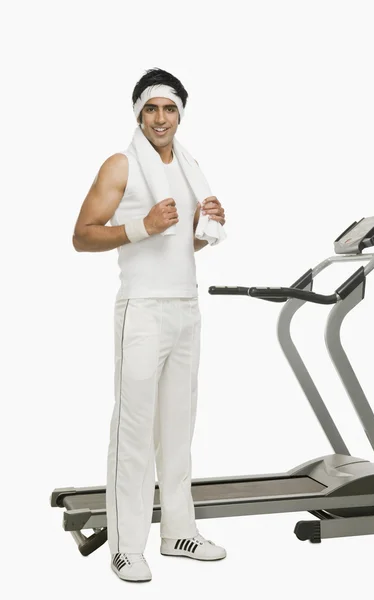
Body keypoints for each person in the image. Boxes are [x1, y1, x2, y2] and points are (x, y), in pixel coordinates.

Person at [72, 67, 227, 583]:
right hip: (140, 311)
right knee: (134, 431)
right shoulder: (121, 164)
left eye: (170, 110)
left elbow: (183, 243)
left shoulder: (189, 167)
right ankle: (126, 547)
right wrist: (143, 225)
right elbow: (82, 236)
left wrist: (208, 226)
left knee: (178, 429)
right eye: (151, 109)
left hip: (186, 307)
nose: (161, 119)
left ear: (181, 114)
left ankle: (179, 531)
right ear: (138, 113)